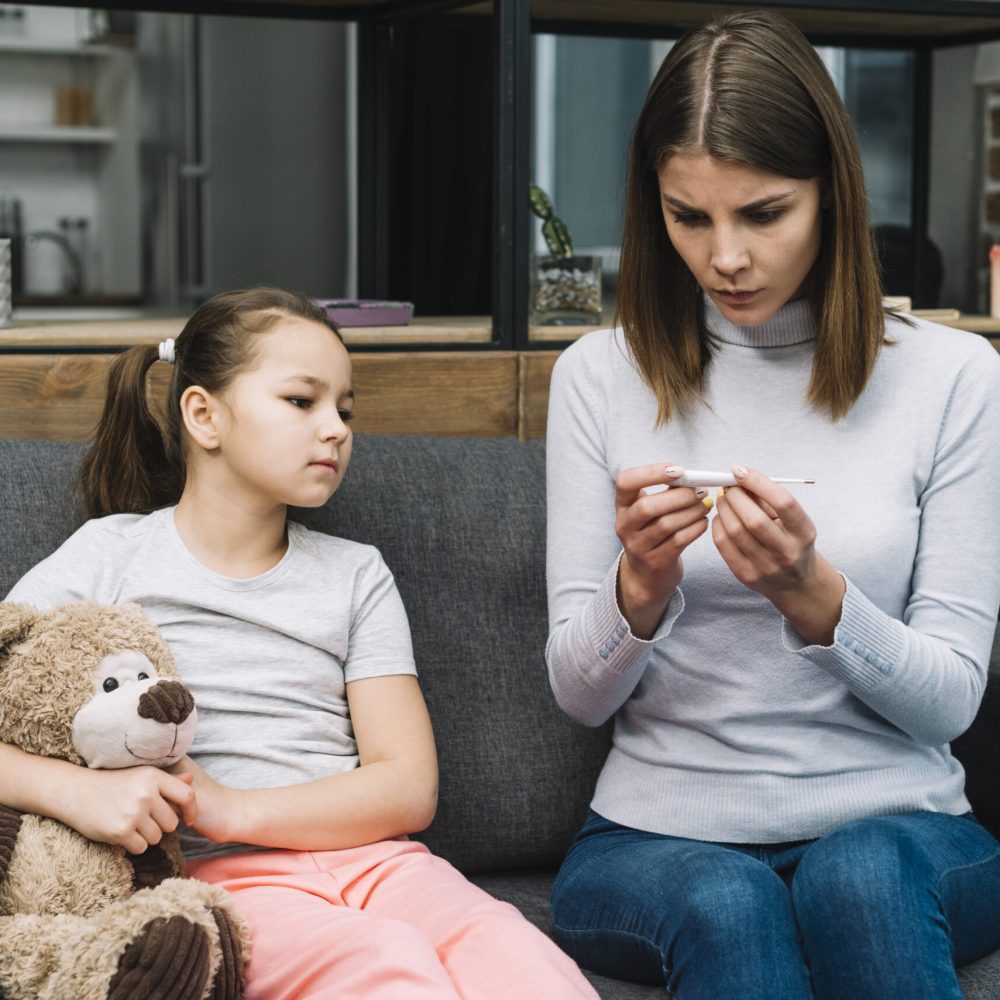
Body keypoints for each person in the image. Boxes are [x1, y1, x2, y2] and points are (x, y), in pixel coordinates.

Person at [544, 11, 1000, 1000]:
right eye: (686, 216)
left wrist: (817, 599)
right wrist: (639, 586)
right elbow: (575, 696)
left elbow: (951, 700)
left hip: (903, 823)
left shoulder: (954, 378)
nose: (724, 259)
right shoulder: (598, 376)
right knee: (725, 896)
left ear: (831, 194)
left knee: (860, 875)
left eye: (762, 213)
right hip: (654, 835)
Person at [2, 287, 598, 1000]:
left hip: (385, 864)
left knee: (525, 967)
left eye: (344, 409)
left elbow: (409, 786)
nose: (336, 429)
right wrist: (74, 793)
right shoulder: (110, 556)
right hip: (225, 881)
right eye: (301, 401)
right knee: (386, 973)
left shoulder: (356, 574)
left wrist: (232, 808)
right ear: (203, 416)